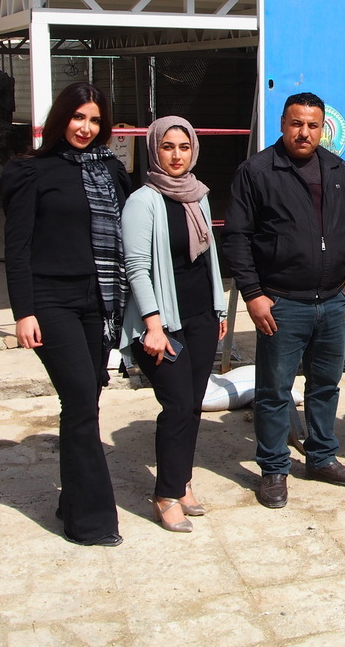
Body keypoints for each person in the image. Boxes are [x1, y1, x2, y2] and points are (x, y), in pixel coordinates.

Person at [2, 82, 132, 546]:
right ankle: (92, 521)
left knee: (84, 401)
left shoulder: (111, 170)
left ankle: (70, 500)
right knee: (80, 403)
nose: (86, 127)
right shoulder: (31, 173)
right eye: (79, 117)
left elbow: (129, 233)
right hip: (51, 303)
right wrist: (23, 312)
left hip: (98, 302)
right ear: (62, 119)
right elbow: (15, 250)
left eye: (95, 120)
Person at [223, 92, 345, 509]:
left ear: (324, 128)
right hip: (281, 303)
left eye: (313, 125)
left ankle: (321, 457)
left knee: (325, 386)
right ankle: (273, 469)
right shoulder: (257, 171)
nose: (304, 133)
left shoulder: (338, 170)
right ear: (282, 124)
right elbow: (237, 237)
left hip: (332, 303)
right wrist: (252, 293)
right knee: (274, 391)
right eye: (296, 124)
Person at [120, 116, 227, 533]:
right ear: (153, 150)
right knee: (178, 405)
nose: (177, 155)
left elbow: (208, 258)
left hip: (200, 316)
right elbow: (137, 267)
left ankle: (181, 483)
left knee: (193, 406)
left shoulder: (196, 195)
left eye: (184, 146)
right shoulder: (142, 201)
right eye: (168, 147)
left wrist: (218, 308)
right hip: (163, 322)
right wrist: (153, 325)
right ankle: (165, 494)